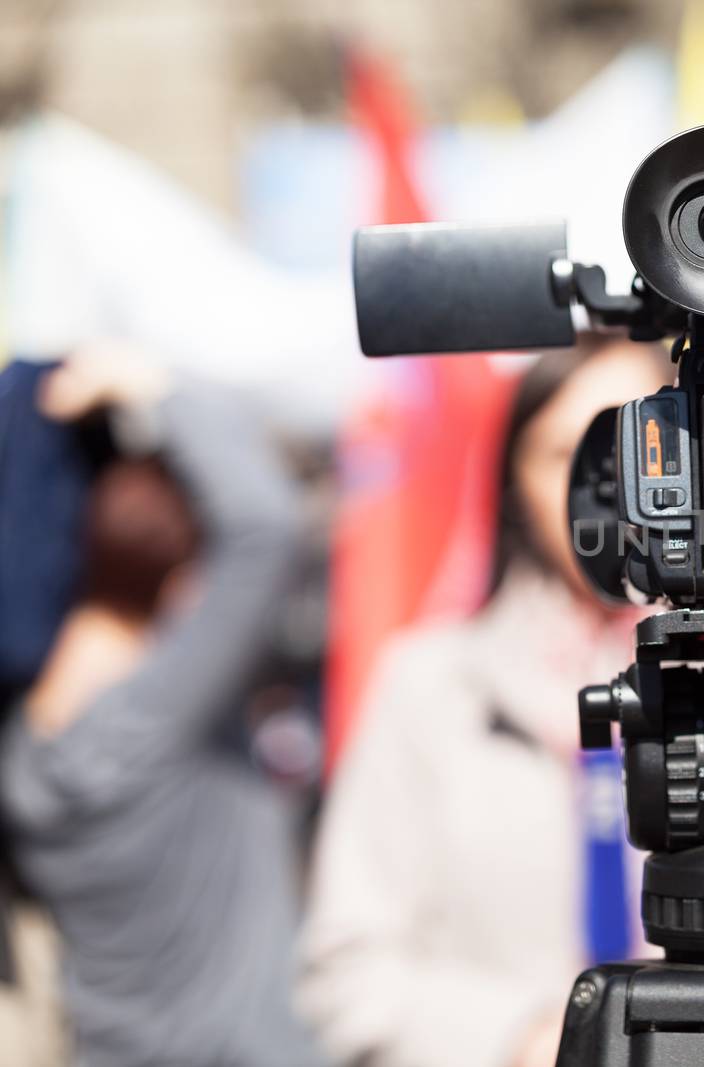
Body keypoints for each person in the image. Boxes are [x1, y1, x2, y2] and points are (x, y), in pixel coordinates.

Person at [297, 341, 670, 1067]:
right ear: (514, 483)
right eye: (566, 453)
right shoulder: (430, 686)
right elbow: (348, 972)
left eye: (639, 448)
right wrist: (526, 1041)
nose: (606, 486)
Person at [0, 350, 323, 1066]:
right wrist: (154, 385)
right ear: (179, 578)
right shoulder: (157, 713)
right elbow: (265, 527)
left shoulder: (22, 747)